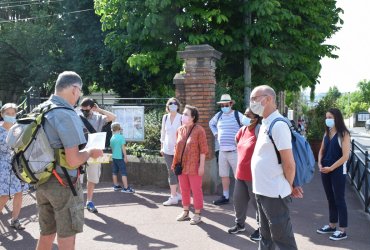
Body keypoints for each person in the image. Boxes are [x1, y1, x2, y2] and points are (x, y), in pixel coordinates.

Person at [35, 71, 103, 250]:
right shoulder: (66, 113)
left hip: (41, 181)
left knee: (46, 234)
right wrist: (90, 152)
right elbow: (73, 160)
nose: (79, 96)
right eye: (79, 91)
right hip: (63, 183)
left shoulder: (40, 109)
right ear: (74, 89)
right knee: (67, 238)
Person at [250, 85, 299, 250]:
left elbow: (289, 163)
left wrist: (288, 185)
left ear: (268, 99)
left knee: (282, 238)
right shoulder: (265, 123)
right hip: (263, 190)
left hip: (274, 192)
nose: (252, 103)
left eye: (255, 99)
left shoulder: (278, 125)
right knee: (266, 237)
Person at [316, 108, 350, 241]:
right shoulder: (327, 132)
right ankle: (332, 225)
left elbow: (345, 156)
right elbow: (321, 151)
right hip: (325, 169)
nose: (327, 119)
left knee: (339, 199)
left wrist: (331, 168)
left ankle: (342, 230)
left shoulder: (344, 134)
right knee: (330, 198)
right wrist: (319, 163)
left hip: (337, 170)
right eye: (326, 117)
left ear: (337, 118)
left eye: (330, 117)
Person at [228, 108, 261, 241]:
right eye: (245, 114)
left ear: (256, 118)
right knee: (238, 200)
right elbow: (238, 144)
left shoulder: (259, 131)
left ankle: (262, 229)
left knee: (257, 203)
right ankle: (240, 224)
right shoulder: (242, 130)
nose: (245, 117)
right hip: (240, 173)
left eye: (249, 115)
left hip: (254, 175)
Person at [172, 105, 208, 225]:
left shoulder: (199, 130)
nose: (183, 116)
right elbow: (176, 148)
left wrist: (202, 166)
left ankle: (197, 214)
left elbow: (203, 150)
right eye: (183, 114)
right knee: (184, 189)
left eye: (186, 114)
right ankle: (186, 211)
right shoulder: (180, 130)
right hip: (182, 166)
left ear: (193, 117)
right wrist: (175, 163)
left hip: (194, 166)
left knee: (196, 190)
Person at [80, 98, 116, 213]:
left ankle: (89, 201)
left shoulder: (98, 117)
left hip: (95, 151)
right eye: (82, 109)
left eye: (86, 110)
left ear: (92, 107)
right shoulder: (77, 117)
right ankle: (78, 202)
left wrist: (99, 110)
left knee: (93, 177)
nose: (84, 112)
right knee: (77, 178)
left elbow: (113, 117)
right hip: (79, 151)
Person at [209, 94, 243, 205]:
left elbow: (249, 125)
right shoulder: (218, 116)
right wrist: (215, 133)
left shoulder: (238, 115)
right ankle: (225, 196)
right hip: (222, 151)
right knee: (224, 175)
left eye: (226, 104)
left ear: (231, 104)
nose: (224, 107)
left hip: (235, 151)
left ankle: (240, 197)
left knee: (239, 176)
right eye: (222, 105)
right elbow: (211, 124)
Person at [0, 103, 27, 230]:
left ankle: (15, 220)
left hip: (17, 165)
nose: (11, 116)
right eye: (8, 113)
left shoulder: (18, 129)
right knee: (4, 196)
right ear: (2, 114)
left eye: (13, 113)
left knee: (19, 192)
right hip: (2, 166)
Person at [160, 97, 183, 206]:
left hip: (178, 150)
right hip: (167, 149)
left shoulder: (182, 118)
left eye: (174, 103)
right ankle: (173, 196)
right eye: (170, 103)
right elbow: (162, 133)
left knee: (179, 172)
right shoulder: (165, 118)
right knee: (171, 172)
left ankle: (179, 194)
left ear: (178, 106)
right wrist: (161, 147)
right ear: (167, 106)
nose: (172, 105)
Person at [110, 122, 135, 193]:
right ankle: (126, 188)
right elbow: (123, 148)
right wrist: (125, 157)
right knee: (123, 172)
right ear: (119, 129)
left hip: (114, 157)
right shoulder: (121, 137)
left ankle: (116, 186)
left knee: (114, 172)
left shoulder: (112, 138)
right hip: (120, 157)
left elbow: (112, 148)